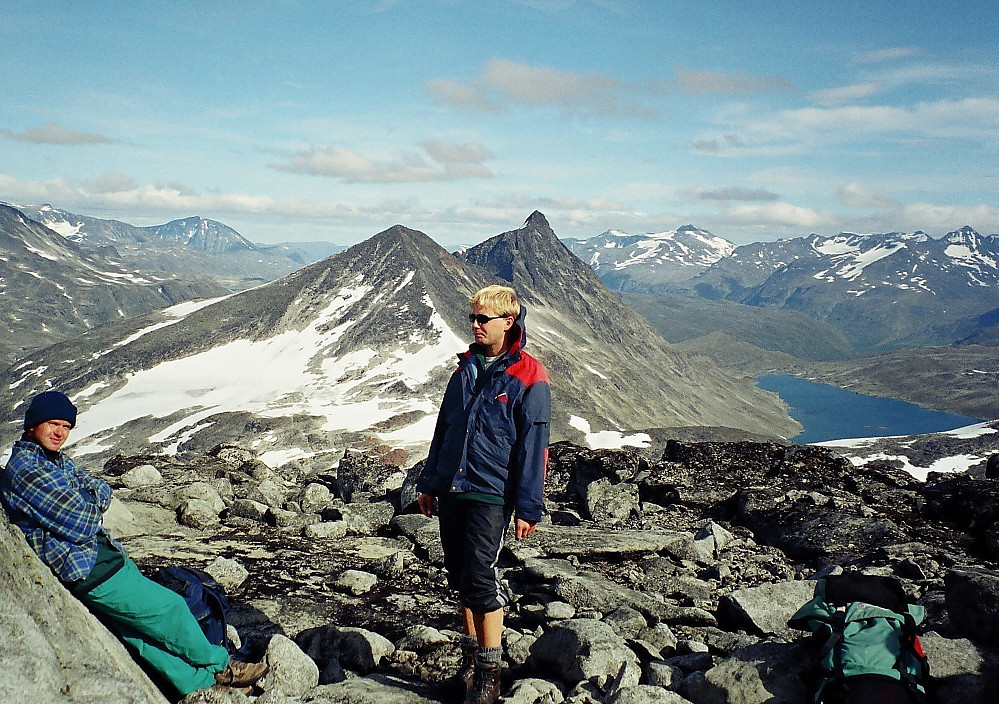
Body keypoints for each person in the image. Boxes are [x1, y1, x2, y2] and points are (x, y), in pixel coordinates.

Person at [1, 390, 268, 698]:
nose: (60, 432)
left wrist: (91, 496)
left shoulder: (51, 460)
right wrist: (92, 501)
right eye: (52, 424)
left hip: (101, 559)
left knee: (139, 636)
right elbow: (83, 521)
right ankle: (224, 667)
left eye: (66, 426)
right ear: (33, 425)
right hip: (91, 570)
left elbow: (96, 486)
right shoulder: (28, 470)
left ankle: (198, 686)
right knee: (170, 608)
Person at [417, 285, 551, 704]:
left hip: (492, 493)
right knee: (460, 578)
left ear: (508, 322)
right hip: (454, 488)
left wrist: (528, 506)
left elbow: (535, 444)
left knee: (479, 578)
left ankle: (491, 678)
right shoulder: (465, 369)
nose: (474, 325)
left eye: (482, 319)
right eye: (472, 318)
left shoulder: (530, 375)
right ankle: (471, 669)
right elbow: (446, 427)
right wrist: (429, 482)